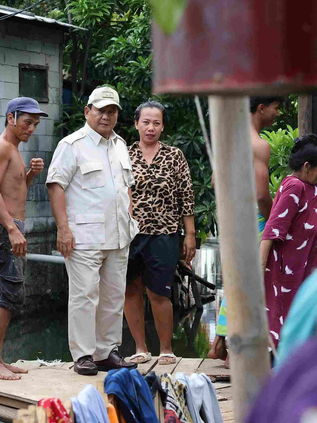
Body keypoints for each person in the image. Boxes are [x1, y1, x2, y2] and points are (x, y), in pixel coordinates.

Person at [46, 86, 139, 375]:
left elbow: (126, 186)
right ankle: (83, 355)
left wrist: (130, 210)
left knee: (113, 296)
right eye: (101, 110)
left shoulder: (121, 144)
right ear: (88, 111)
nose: (106, 116)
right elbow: (55, 185)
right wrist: (63, 229)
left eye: (112, 111)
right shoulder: (72, 145)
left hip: (119, 234)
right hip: (83, 236)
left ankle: (106, 352)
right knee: (85, 295)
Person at [208, 96, 282, 367]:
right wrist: (277, 217)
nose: (277, 113)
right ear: (261, 108)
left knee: (237, 279)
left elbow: (217, 181)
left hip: (232, 217)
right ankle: (235, 348)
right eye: (275, 107)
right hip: (255, 219)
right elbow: (262, 193)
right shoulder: (258, 145)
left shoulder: (228, 139)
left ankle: (221, 342)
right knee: (253, 281)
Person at [0, 97, 48, 380]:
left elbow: (16, 190)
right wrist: (11, 228)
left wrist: (31, 174)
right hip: (3, 231)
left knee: (7, 294)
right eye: (27, 122)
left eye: (35, 124)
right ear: (11, 118)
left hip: (11, 229)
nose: (31, 129)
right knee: (10, 293)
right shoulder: (0, 148)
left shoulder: (14, 151)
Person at [124, 101, 196, 366]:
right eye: (146, 122)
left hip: (165, 233)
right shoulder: (123, 153)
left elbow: (186, 197)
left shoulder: (175, 156)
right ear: (136, 124)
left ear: (163, 126)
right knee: (130, 290)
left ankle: (166, 349)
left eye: (156, 123)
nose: (151, 127)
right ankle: (140, 348)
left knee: (159, 293)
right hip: (129, 234)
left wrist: (189, 234)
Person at [260, 133, 317, 348]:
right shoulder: (295, 186)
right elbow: (272, 230)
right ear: (306, 167)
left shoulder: (313, 188)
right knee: (283, 327)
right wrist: (260, 269)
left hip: (306, 272)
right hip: (287, 273)